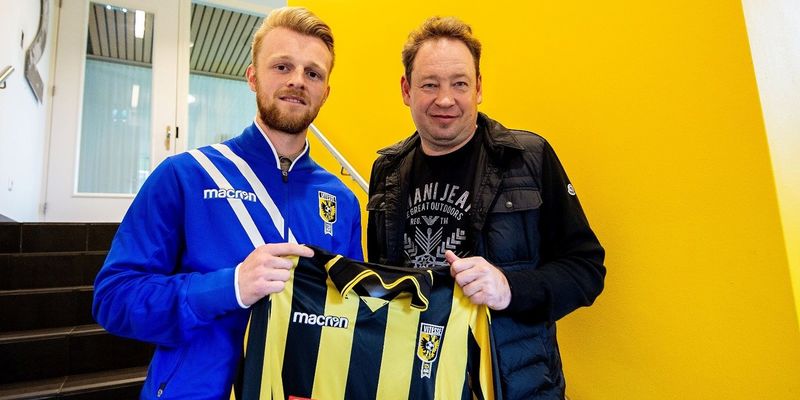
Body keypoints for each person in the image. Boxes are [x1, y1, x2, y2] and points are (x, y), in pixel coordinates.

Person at [93, 7, 362, 400]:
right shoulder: (186, 175)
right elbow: (114, 298)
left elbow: (349, 311)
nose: (297, 81)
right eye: (282, 67)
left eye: (313, 73)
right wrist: (229, 286)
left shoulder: (342, 200)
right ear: (252, 77)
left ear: (326, 91)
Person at [367, 16, 606, 399]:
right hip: (417, 384)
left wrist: (509, 288)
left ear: (478, 87)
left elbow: (586, 269)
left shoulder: (529, 158)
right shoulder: (387, 171)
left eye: (459, 83)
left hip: (516, 388)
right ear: (406, 90)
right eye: (430, 84)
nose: (445, 99)